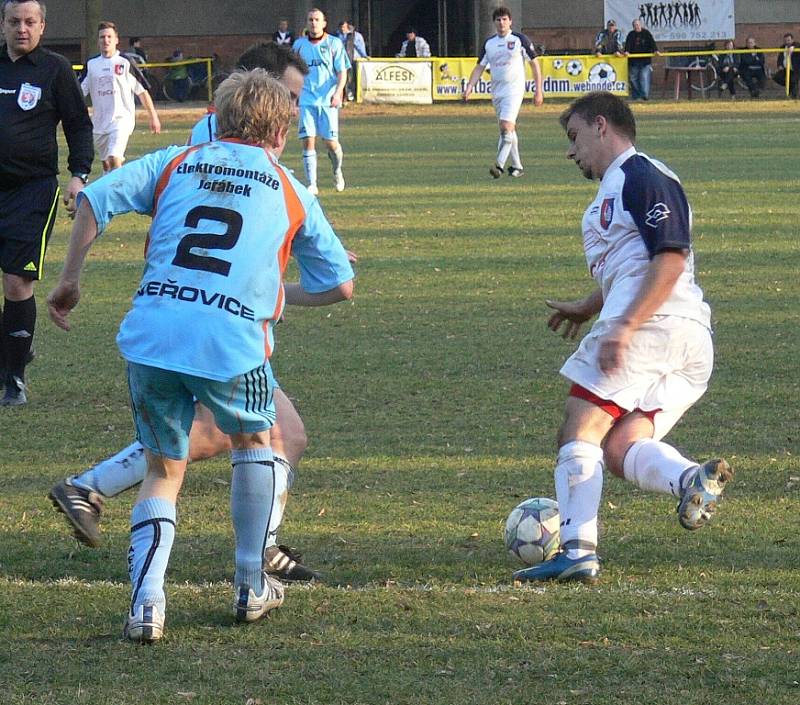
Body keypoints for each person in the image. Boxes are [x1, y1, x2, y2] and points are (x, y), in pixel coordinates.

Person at [46, 69, 355, 643]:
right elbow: (340, 284)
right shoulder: (290, 188)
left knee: (164, 469)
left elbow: (91, 199)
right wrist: (275, 295)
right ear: (281, 132)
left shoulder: (174, 161)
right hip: (232, 343)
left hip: (152, 333)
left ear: (219, 116)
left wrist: (69, 281)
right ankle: (248, 584)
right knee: (258, 443)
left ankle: (145, 607)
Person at [513, 92, 733, 585]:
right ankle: (688, 479)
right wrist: (589, 304)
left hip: (653, 326)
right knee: (620, 446)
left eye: (573, 138)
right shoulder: (616, 188)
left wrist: (626, 325)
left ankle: (576, 551)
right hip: (685, 339)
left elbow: (670, 258)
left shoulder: (642, 175)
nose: (571, 152)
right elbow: (631, 264)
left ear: (600, 126)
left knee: (578, 429)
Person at [0, 0, 93, 406]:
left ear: (42, 26)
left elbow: (78, 124)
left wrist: (78, 174)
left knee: (17, 281)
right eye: (14, 21)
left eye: (30, 22)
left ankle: (13, 379)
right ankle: (12, 348)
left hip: (31, 191)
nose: (22, 28)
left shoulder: (55, 70)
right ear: (2, 25)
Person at [463, 5, 543, 179]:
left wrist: (539, 90)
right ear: (494, 23)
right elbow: (479, 67)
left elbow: (535, 64)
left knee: (506, 126)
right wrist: (470, 86)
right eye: (498, 20)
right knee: (507, 130)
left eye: (504, 19)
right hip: (497, 91)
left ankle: (499, 165)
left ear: (510, 21)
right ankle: (517, 166)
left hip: (514, 89)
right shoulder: (489, 44)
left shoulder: (519, 39)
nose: (501, 23)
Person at [81, 21, 160, 173]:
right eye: (102, 37)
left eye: (109, 36)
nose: (106, 40)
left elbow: (142, 91)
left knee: (114, 158)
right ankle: (110, 191)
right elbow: (78, 93)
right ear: (98, 41)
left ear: (116, 40)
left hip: (121, 120)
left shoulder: (125, 63)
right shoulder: (91, 65)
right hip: (99, 123)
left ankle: (120, 194)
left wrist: (153, 117)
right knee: (107, 166)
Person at [292, 8, 350, 195]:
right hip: (307, 100)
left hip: (327, 100)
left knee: (331, 143)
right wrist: (293, 98)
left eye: (317, 20)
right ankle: (312, 184)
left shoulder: (334, 44)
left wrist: (338, 92)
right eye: (310, 20)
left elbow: (342, 71)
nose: (313, 23)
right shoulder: (299, 45)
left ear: (324, 23)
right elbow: (293, 73)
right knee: (308, 140)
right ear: (307, 23)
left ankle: (337, 171)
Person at [624, 19, 658, 100]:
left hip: (645, 61)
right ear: (633, 26)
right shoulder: (631, 34)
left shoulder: (646, 33)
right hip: (633, 61)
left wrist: (655, 50)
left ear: (641, 25)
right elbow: (627, 45)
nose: (637, 26)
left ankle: (644, 96)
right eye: (635, 25)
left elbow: (652, 43)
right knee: (633, 79)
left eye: (638, 24)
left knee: (644, 77)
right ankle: (636, 96)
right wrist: (626, 51)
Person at [337, 20, 368, 101]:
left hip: (352, 60)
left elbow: (360, 47)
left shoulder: (355, 36)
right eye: (341, 27)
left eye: (343, 27)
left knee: (351, 79)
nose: (342, 29)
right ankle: (343, 95)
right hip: (340, 60)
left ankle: (350, 95)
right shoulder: (337, 35)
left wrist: (364, 56)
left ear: (347, 27)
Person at [774, 32, 799, 98]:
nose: (787, 42)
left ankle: (793, 96)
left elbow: (798, 45)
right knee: (776, 77)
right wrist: (779, 65)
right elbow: (780, 58)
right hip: (785, 69)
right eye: (785, 40)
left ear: (792, 40)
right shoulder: (782, 47)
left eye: (788, 40)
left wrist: (793, 47)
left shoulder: (796, 46)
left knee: (793, 81)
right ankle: (791, 88)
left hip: (795, 69)